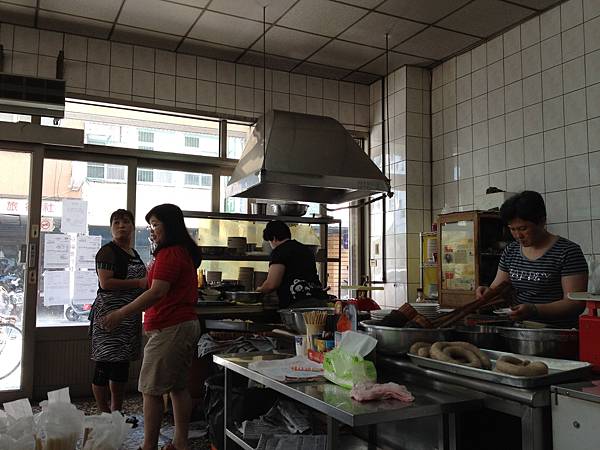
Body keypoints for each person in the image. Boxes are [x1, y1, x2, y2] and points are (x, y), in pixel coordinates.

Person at [102, 204, 202, 450]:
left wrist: (121, 313)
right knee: (178, 387)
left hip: (171, 326)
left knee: (150, 390)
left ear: (170, 225)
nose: (152, 230)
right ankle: (180, 443)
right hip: (181, 324)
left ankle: (149, 446)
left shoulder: (170, 253)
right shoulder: (179, 251)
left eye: (156, 225)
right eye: (150, 226)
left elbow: (157, 291)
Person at [475, 191, 588, 328]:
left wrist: (535, 310)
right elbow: (497, 289)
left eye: (523, 228)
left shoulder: (567, 252)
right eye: (512, 229)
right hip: (518, 329)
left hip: (556, 332)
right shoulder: (511, 251)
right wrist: (488, 293)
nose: (518, 235)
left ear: (542, 221)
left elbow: (575, 303)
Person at [90, 209, 146, 416]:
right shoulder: (107, 252)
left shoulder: (134, 253)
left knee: (121, 367)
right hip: (109, 316)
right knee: (104, 364)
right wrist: (138, 283)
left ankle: (117, 412)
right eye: (116, 222)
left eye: (126, 222)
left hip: (128, 318)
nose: (121, 226)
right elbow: (106, 283)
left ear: (133, 227)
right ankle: (104, 413)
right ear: (111, 228)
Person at [256, 220, 328, 308]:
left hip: (298, 305)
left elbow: (272, 284)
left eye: (269, 241)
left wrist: (259, 291)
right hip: (319, 301)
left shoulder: (279, 251)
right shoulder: (305, 250)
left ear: (274, 238)